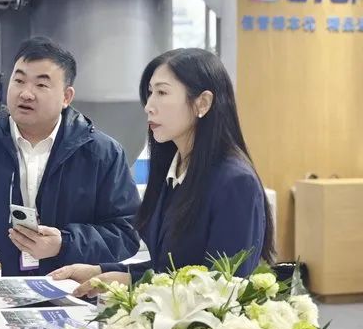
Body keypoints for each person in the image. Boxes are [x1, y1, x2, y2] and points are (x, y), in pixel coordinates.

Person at [51, 48, 275, 296]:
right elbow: (167, 268)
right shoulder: (174, 171)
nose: (149, 106)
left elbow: (222, 287)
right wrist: (100, 271)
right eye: (150, 93)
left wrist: (131, 282)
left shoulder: (235, 182)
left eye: (162, 92)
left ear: (202, 103)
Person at [0, 37, 141, 280]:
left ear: (66, 97)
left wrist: (65, 244)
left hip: (70, 294)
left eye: (41, 85)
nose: (26, 94)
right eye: (19, 81)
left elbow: (125, 232)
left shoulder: (102, 154)